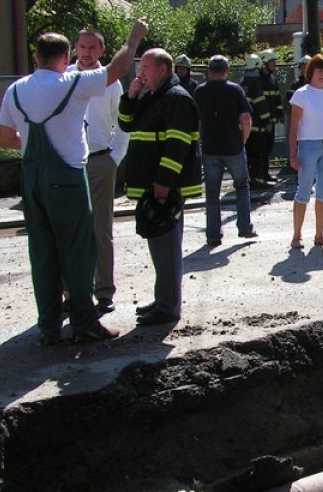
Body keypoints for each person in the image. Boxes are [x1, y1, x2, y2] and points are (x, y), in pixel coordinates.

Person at [0, 21, 145, 344]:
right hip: (67, 178)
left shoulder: (16, 90)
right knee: (79, 251)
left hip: (32, 179)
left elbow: (5, 137)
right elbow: (117, 69)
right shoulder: (72, 83)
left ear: (35, 57)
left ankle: (48, 328)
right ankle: (84, 323)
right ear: (67, 57)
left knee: (43, 253)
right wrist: (133, 38)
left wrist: (34, 141)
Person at [119, 48, 202, 326]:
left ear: (164, 70)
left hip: (164, 187)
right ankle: (163, 300)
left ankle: (168, 307)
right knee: (160, 248)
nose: (141, 72)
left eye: (146, 67)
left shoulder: (176, 98)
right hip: (152, 185)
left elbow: (177, 144)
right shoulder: (153, 96)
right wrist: (130, 96)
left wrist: (164, 182)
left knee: (166, 248)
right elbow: (125, 124)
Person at [69, 28, 130, 314]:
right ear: (75, 48)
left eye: (93, 47)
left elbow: (123, 121)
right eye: (82, 46)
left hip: (99, 160)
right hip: (69, 163)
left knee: (101, 229)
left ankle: (104, 291)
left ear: (102, 51)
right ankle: (73, 291)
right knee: (70, 229)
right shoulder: (64, 77)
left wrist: (115, 157)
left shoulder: (110, 82)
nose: (87, 52)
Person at [193, 54, 255, 247]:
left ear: (209, 71)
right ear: (227, 70)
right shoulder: (235, 90)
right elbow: (246, 118)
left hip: (210, 147)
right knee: (242, 186)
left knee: (212, 193)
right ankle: (244, 227)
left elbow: (195, 119)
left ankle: (213, 235)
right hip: (233, 147)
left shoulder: (200, 91)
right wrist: (243, 139)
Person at [288, 53, 323, 249]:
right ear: (310, 71)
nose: (322, 73)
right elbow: (294, 126)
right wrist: (293, 154)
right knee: (303, 190)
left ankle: (319, 235)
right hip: (308, 145)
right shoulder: (301, 94)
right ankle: (297, 236)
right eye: (318, 69)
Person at [241, 53, 272, 189]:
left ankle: (251, 179)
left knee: (249, 155)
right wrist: (267, 122)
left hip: (244, 128)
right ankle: (258, 182)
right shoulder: (256, 84)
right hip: (257, 126)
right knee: (258, 155)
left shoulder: (242, 83)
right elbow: (261, 106)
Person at [256, 49, 284, 184]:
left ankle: (265, 174)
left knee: (268, 148)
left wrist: (280, 114)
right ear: (265, 62)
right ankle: (259, 176)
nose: (274, 65)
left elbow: (277, 99)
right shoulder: (257, 81)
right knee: (260, 150)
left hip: (271, 123)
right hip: (260, 124)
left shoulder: (272, 79)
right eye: (272, 62)